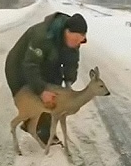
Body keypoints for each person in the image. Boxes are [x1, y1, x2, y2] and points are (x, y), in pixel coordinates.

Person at [5, 12, 87, 145]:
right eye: (75, 39)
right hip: (19, 66)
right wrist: (41, 90)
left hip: (46, 63)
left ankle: (37, 127)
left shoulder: (74, 41)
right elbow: (30, 65)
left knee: (54, 91)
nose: (77, 44)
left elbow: (71, 62)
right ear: (66, 32)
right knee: (35, 95)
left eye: (80, 40)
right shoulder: (43, 36)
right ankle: (40, 129)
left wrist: (68, 82)